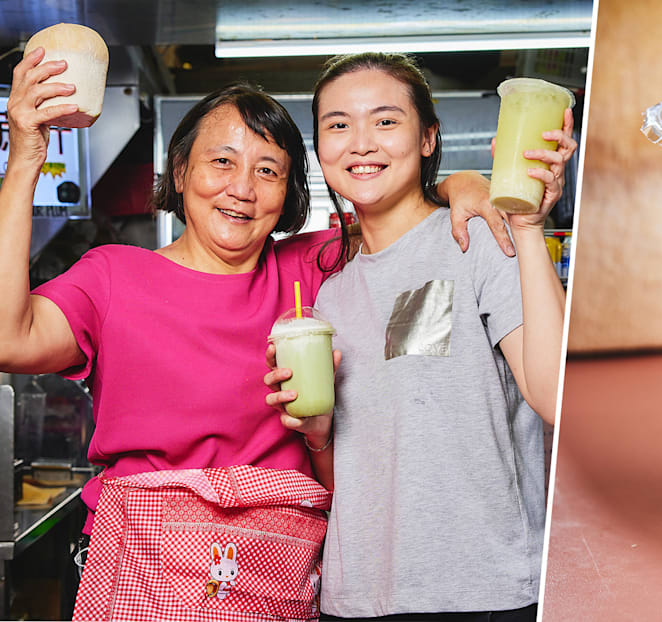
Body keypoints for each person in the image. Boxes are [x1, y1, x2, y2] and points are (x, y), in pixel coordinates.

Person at [0, 46, 501, 622]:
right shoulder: (112, 276)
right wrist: (26, 158)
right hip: (141, 570)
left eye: (268, 171)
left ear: (287, 195)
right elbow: (10, 339)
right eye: (222, 162)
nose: (243, 188)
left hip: (277, 574)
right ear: (181, 170)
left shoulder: (315, 267)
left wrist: (460, 184)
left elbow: (399, 211)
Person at [265, 52, 575, 620]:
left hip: (484, 589)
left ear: (429, 138)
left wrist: (527, 225)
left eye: (385, 121)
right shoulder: (330, 294)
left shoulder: (474, 238)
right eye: (338, 125)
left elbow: (556, 397)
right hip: (357, 595)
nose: (360, 143)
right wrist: (316, 433)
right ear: (320, 150)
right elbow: (360, 468)